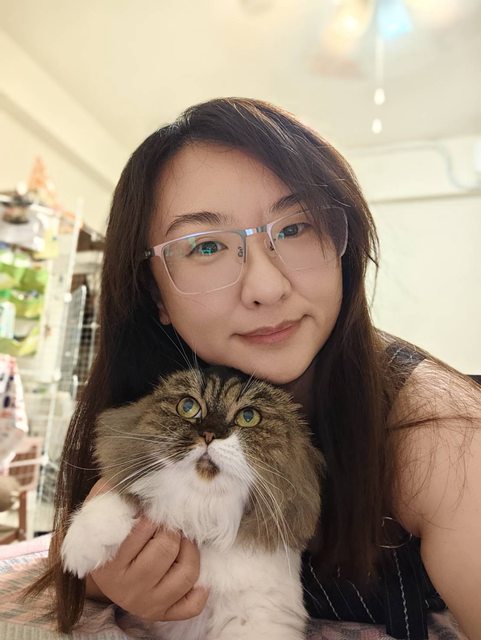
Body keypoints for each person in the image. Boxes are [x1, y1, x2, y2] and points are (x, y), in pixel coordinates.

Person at [34, 98, 481, 639]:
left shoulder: (439, 435)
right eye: (205, 246)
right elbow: (69, 556)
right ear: (154, 293)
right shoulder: (165, 394)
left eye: (295, 228)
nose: (267, 288)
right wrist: (110, 574)